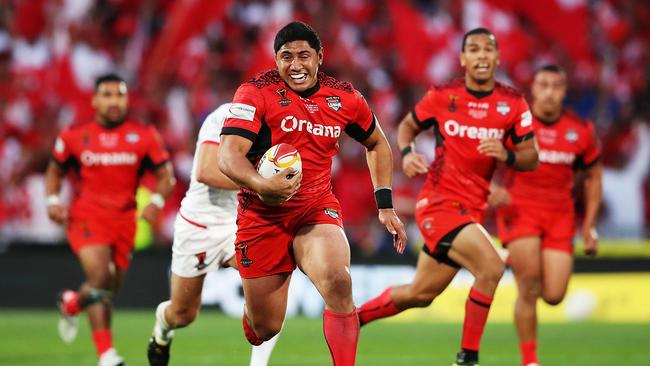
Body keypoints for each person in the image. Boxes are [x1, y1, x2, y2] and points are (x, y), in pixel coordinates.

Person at [218, 21, 407, 366]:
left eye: (304, 55)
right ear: (275, 60)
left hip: (314, 210)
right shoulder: (254, 93)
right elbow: (228, 156)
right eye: (286, 56)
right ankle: (254, 309)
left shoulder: (345, 98)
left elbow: (377, 142)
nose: (295, 64)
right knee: (265, 328)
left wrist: (385, 205)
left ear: (320, 57)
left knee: (338, 281)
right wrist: (263, 186)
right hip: (262, 216)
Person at [357, 28, 539, 366]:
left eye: (488, 49)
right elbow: (407, 127)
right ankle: (467, 358)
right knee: (492, 267)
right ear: (463, 58)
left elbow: (531, 158)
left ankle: (351, 320)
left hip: (470, 212)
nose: (482, 55)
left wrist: (507, 154)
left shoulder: (513, 103)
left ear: (497, 58)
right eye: (474, 49)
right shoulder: (443, 96)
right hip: (438, 204)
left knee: (420, 294)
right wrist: (408, 152)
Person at [45, 73, 175, 366]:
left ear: (127, 99)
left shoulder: (143, 135)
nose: (114, 101)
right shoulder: (74, 135)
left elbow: (165, 175)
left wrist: (155, 201)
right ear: (94, 100)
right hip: (86, 217)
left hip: (125, 221)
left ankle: (71, 303)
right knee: (100, 279)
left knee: (107, 288)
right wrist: (52, 201)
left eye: (119, 95)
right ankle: (107, 354)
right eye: (107, 95)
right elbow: (54, 170)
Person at [146, 103, 280, 366]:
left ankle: (258, 363)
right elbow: (206, 171)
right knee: (183, 314)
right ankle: (163, 325)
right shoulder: (226, 116)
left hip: (244, 222)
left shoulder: (287, 127)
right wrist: (261, 184)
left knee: (270, 287)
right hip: (200, 224)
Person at [489, 65, 602, 366]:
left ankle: (517, 257)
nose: (550, 92)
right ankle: (530, 361)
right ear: (534, 89)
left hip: (560, 216)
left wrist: (589, 227)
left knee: (553, 295)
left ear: (565, 91)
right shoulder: (513, 124)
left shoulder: (581, 130)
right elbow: (475, 159)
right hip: (520, 210)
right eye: (544, 85)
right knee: (529, 287)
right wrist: (490, 187)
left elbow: (593, 177)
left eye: (557, 86)